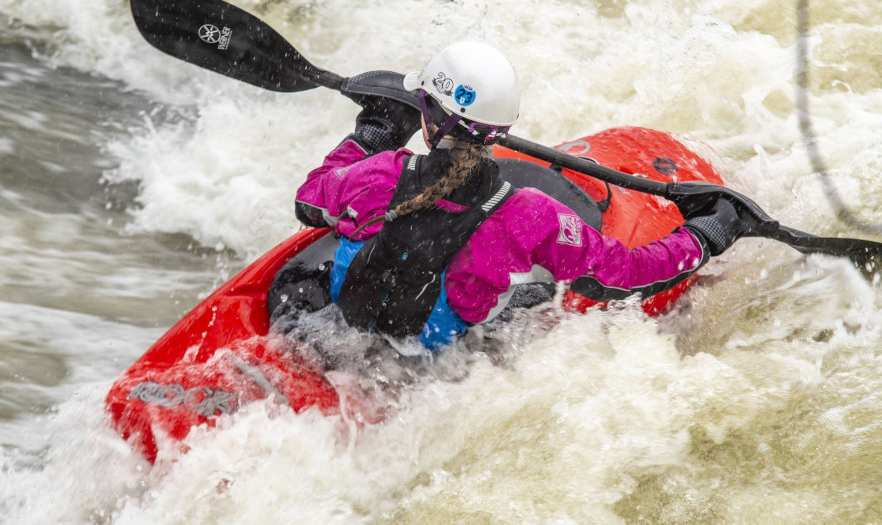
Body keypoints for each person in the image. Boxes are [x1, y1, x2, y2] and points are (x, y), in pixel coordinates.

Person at [294, 42, 751, 350]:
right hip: (442, 347)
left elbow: (309, 202)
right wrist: (706, 234)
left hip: (347, 321)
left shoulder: (378, 173)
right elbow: (622, 276)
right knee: (537, 291)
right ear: (502, 128)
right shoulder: (531, 215)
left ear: (428, 120)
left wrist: (374, 131)